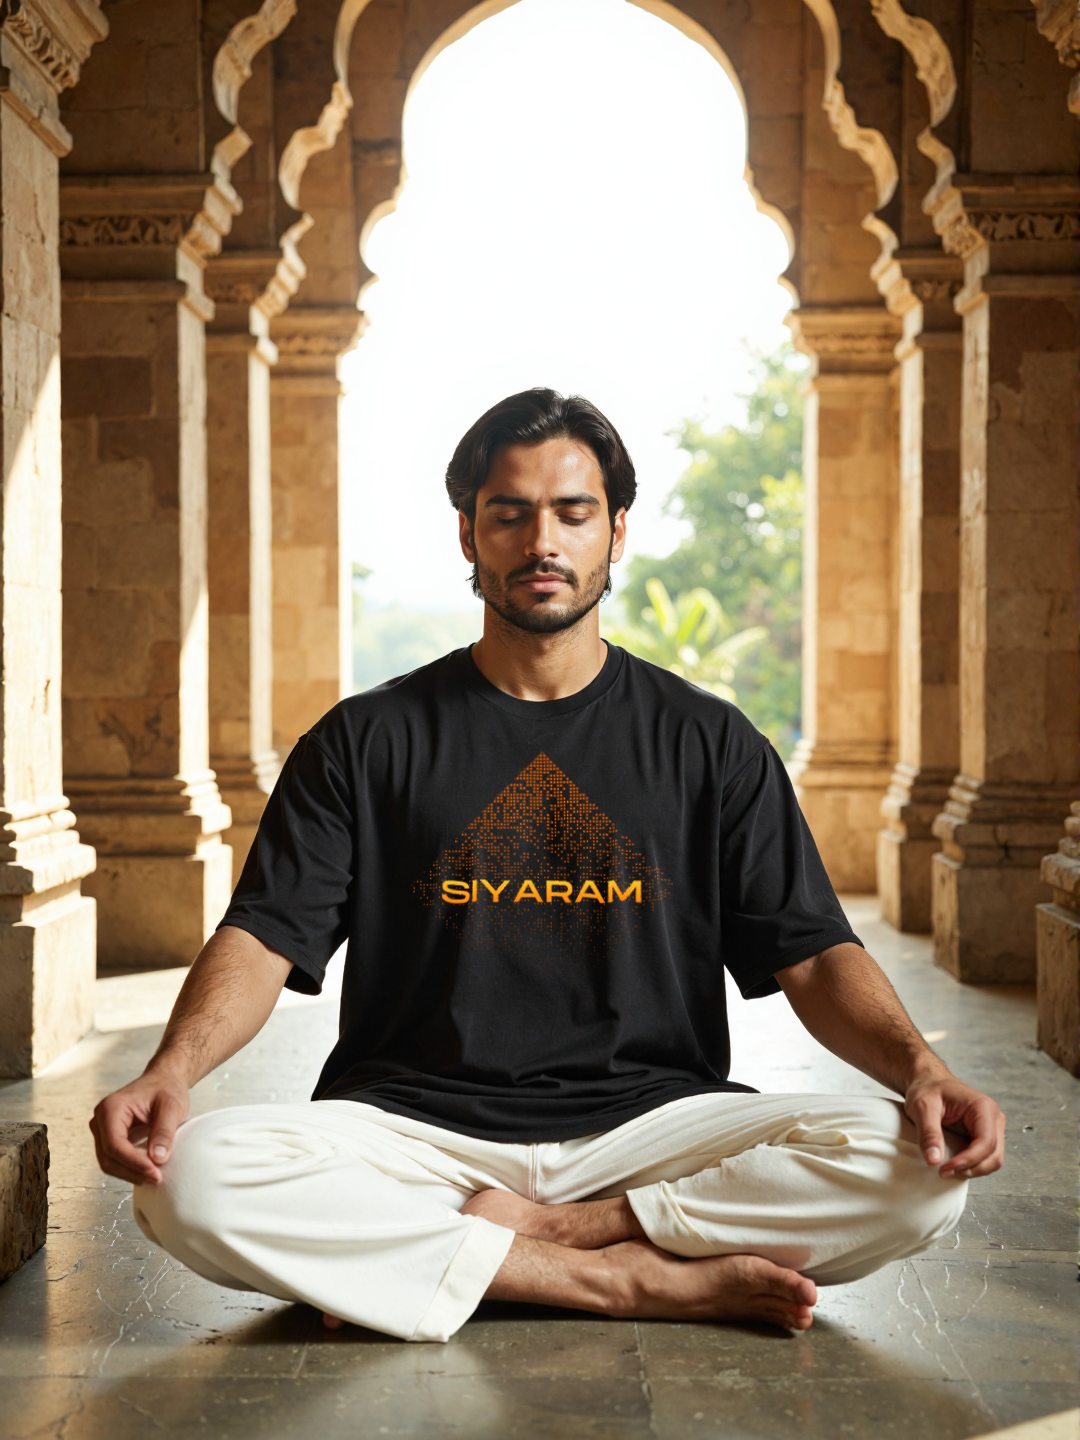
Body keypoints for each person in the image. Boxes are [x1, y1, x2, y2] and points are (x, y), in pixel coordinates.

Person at [90, 388, 1004, 1344]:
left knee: (914, 1170)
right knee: (187, 1181)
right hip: (413, 1127)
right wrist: (172, 1070)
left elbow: (813, 955)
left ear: (616, 530)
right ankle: (622, 1283)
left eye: (572, 512)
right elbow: (265, 935)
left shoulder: (710, 744)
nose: (542, 541)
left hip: (652, 1129)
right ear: (467, 534)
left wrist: (924, 1070)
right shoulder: (365, 741)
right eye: (510, 512)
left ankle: (523, 1243)